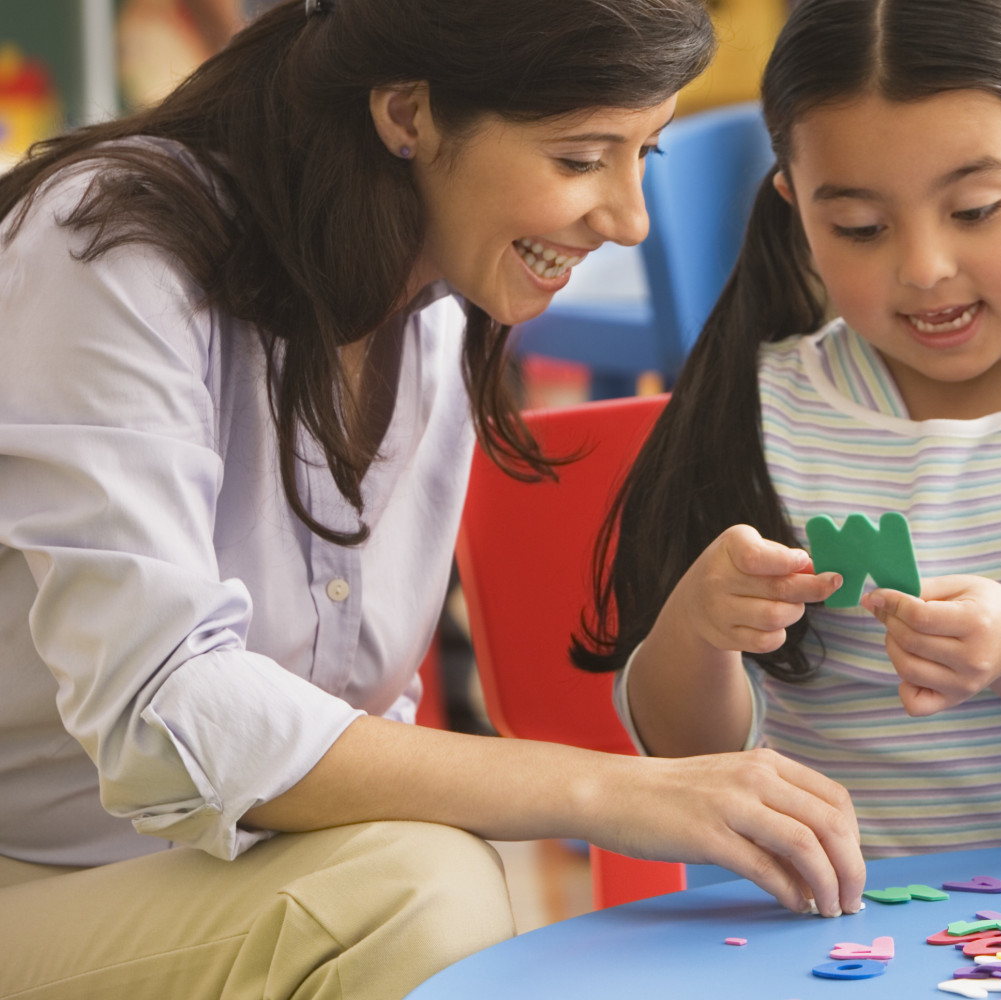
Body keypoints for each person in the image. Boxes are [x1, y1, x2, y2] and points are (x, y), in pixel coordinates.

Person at [0, 2, 864, 996]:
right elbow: (167, 714)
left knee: (422, 865)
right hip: (38, 877)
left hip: (210, 886)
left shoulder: (434, 303)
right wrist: (610, 789)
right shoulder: (106, 248)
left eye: (645, 153)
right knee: (422, 886)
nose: (629, 219)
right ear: (406, 113)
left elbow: (359, 714)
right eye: (582, 157)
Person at [577, 0, 1001, 856]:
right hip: (840, 932)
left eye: (975, 210)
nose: (925, 269)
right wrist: (698, 631)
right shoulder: (759, 404)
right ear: (795, 206)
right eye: (859, 228)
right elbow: (685, 757)